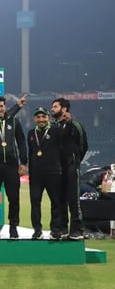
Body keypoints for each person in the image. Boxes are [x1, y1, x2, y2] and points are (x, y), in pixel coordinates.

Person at [0, 96, 27, 240]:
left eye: (1, 106)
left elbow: (21, 142)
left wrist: (23, 162)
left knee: (13, 198)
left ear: (5, 107)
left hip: (11, 165)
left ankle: (13, 227)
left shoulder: (14, 122)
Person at [27, 107, 68, 240]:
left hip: (53, 173)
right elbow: (31, 153)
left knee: (56, 202)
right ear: (34, 119)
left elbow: (65, 144)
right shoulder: (31, 133)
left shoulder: (56, 131)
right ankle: (37, 230)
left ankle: (55, 229)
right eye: (38, 117)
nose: (41, 120)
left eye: (43, 117)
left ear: (48, 118)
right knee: (35, 202)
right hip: (36, 174)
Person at [52, 98, 89, 240]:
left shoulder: (76, 125)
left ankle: (77, 230)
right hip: (57, 168)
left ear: (64, 109)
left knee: (74, 200)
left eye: (55, 107)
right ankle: (62, 229)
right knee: (60, 200)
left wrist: (74, 159)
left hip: (71, 166)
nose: (52, 109)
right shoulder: (53, 126)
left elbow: (83, 146)